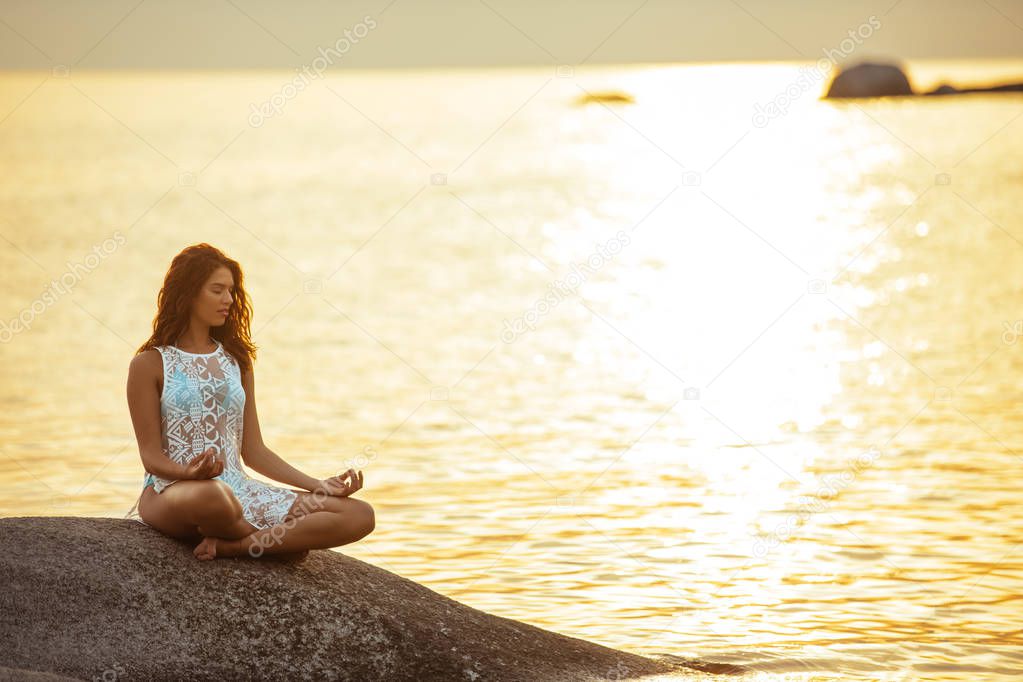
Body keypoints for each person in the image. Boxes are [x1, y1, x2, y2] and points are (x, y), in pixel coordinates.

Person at [123, 243, 374, 561]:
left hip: (238, 490)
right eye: (217, 290)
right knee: (214, 495)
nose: (228, 299)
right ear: (188, 293)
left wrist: (318, 485)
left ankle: (235, 545)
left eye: (231, 290)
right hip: (171, 491)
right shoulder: (148, 364)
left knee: (359, 514)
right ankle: (273, 544)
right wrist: (189, 472)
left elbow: (253, 451)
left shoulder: (237, 361)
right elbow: (150, 457)